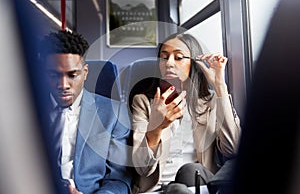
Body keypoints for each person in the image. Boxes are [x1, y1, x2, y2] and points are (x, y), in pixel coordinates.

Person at [130, 33, 241, 193]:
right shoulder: (143, 102)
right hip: (156, 190)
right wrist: (156, 128)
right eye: (164, 57)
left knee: (189, 171)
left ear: (194, 63)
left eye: (179, 57)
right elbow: (142, 169)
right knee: (177, 189)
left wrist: (219, 87)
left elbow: (234, 148)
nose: (169, 63)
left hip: (196, 185)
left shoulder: (210, 102)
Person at [39, 30, 132, 194]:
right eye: (53, 75)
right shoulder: (25, 112)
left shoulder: (113, 113)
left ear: (85, 73)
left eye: (72, 75)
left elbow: (119, 179)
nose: (63, 85)